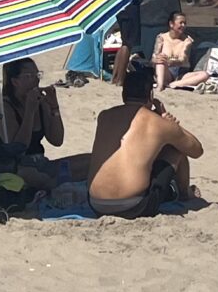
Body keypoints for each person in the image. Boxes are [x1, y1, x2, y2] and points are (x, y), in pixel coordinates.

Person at [86, 63, 203, 215]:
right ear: (151, 95)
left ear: (123, 95)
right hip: (135, 206)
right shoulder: (158, 123)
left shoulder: (104, 116)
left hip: (96, 204)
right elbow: (196, 150)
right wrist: (171, 124)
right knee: (176, 148)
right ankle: (185, 195)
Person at [0, 58, 67, 167]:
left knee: (89, 161)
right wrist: (29, 112)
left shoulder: (40, 104)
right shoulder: (4, 109)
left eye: (37, 75)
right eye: (28, 76)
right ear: (15, 82)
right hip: (16, 167)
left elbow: (57, 140)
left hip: (40, 162)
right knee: (41, 176)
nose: (36, 80)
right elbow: (17, 150)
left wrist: (54, 107)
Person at [152, 13, 199, 92]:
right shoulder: (161, 38)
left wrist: (172, 62)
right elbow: (153, 59)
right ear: (171, 24)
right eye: (181, 23)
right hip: (166, 72)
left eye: (185, 23)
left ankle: (176, 84)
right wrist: (157, 60)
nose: (183, 25)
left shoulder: (187, 41)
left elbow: (183, 60)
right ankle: (160, 86)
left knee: (204, 75)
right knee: (160, 62)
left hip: (181, 73)